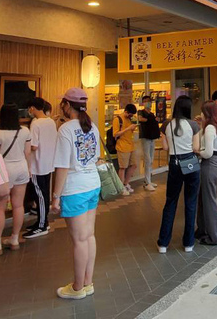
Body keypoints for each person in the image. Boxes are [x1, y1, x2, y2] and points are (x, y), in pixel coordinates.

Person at [50, 88, 102, 300]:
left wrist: (55, 196)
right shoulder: (93, 127)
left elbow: (62, 166)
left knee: (79, 240)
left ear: (66, 105)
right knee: (88, 236)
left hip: (75, 188)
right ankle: (87, 283)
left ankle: (77, 287)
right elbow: (96, 157)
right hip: (92, 184)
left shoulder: (66, 130)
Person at [0, 104, 32, 255]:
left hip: (5, 170)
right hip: (22, 168)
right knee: (18, 205)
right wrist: (29, 169)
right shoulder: (25, 131)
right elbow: (27, 152)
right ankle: (14, 239)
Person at [156, 95, 201, 253]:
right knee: (190, 202)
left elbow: (166, 148)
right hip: (190, 161)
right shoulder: (194, 125)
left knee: (171, 202)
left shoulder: (166, 124)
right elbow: (196, 148)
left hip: (174, 163)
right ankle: (188, 243)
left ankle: (163, 243)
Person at [24, 98, 57, 239]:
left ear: (33, 108)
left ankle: (42, 225)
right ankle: (43, 221)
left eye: (29, 108)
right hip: (48, 163)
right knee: (44, 194)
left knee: (40, 195)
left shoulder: (36, 123)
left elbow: (34, 146)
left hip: (37, 164)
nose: (29, 111)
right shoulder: (50, 121)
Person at [195, 101, 217, 246]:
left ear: (206, 113)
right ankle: (202, 230)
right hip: (216, 165)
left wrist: (196, 151)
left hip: (208, 165)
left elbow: (207, 153)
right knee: (204, 200)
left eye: (202, 111)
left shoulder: (210, 129)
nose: (200, 114)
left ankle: (214, 236)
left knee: (209, 202)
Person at [111, 104, 139, 195]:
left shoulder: (130, 119)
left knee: (134, 165)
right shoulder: (117, 119)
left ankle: (126, 183)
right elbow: (115, 134)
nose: (131, 116)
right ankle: (121, 187)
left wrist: (132, 128)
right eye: (130, 114)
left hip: (131, 145)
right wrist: (128, 128)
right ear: (126, 111)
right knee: (123, 167)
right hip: (122, 146)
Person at [136, 95, 161, 191]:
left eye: (149, 101)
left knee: (151, 159)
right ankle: (147, 182)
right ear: (143, 103)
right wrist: (151, 120)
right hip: (145, 138)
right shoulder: (141, 112)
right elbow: (141, 119)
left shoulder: (152, 114)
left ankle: (149, 180)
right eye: (146, 101)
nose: (148, 103)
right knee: (147, 159)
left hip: (152, 138)